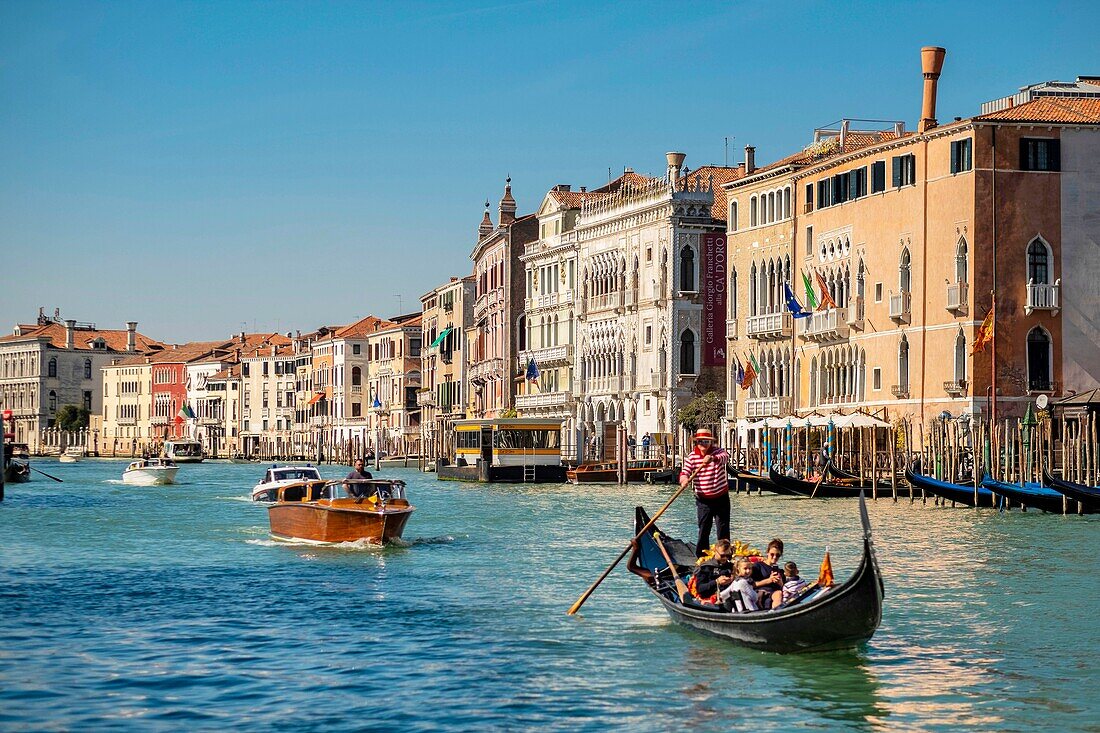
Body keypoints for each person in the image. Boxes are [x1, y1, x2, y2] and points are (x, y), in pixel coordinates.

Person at [680, 428, 731, 557]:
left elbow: (725, 457)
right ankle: (702, 557)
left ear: (710, 443)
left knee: (722, 529)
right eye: (701, 441)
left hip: (721, 498)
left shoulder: (717, 452)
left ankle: (725, 555)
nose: (703, 444)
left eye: (706, 441)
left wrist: (712, 458)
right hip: (703, 500)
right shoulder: (692, 457)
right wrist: (684, 480)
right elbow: (685, 472)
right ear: (696, 443)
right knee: (704, 529)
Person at [688, 539, 734, 604]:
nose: (725, 558)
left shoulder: (731, 566)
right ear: (715, 551)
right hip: (710, 599)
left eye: (728, 555)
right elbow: (700, 589)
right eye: (722, 555)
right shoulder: (705, 567)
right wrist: (717, 582)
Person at [751, 538, 786, 609]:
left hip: (775, 595)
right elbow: (751, 585)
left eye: (778, 555)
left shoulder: (780, 571)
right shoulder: (758, 566)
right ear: (767, 552)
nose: (774, 557)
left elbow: (784, 589)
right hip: (761, 594)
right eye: (772, 554)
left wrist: (781, 584)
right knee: (778, 594)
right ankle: (776, 613)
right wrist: (769, 580)